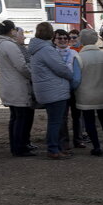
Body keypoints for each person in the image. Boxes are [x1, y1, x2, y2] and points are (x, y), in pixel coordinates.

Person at [28, 22, 78, 159]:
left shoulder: (36, 49)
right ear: (50, 34)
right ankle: (54, 149)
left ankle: (55, 147)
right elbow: (60, 68)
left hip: (45, 89)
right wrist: (71, 76)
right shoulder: (47, 50)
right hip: (54, 90)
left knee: (54, 121)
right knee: (56, 122)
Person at [0, 20, 37, 157]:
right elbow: (21, 66)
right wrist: (32, 76)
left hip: (9, 84)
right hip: (17, 85)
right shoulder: (10, 45)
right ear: (12, 31)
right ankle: (20, 147)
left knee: (15, 117)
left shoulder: (0, 44)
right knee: (21, 118)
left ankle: (17, 145)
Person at [75, 28, 103, 156]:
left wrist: (74, 89)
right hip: (102, 92)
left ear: (81, 40)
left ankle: (96, 147)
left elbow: (76, 79)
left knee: (89, 121)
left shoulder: (79, 57)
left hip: (85, 94)